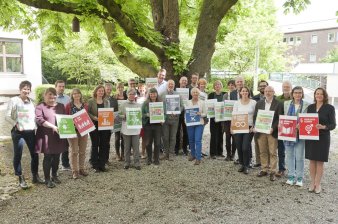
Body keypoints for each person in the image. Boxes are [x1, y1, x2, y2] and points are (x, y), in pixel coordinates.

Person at [6, 80, 44, 189]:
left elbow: (35, 117)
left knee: (35, 153)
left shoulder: (32, 102)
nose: (26, 91)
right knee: (18, 154)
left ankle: (35, 176)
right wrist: (15, 124)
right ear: (20, 89)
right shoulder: (14, 100)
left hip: (30, 131)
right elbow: (7, 116)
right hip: (18, 131)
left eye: (28, 89)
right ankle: (20, 177)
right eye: (24, 89)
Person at [305, 87, 336, 194]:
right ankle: (312, 182)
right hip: (311, 137)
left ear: (324, 96)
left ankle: (318, 184)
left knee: (320, 162)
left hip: (323, 137)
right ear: (314, 95)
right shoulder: (310, 107)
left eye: (321, 94)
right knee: (312, 160)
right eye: (317, 93)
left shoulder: (330, 108)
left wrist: (323, 127)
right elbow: (306, 120)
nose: (318, 95)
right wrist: (301, 126)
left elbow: (333, 125)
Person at [35, 87, 67, 188]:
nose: (52, 97)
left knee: (57, 156)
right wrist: (53, 126)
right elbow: (39, 120)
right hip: (46, 137)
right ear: (45, 95)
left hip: (58, 136)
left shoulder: (61, 106)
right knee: (48, 157)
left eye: (54, 95)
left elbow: (65, 119)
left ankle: (54, 175)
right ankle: (47, 179)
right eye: (49, 94)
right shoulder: (40, 107)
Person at [254, 86, 283, 181]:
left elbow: (279, 118)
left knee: (273, 152)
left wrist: (273, 128)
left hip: (271, 132)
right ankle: (264, 169)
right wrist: (256, 126)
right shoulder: (259, 103)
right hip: (261, 131)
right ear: (264, 92)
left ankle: (273, 171)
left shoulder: (278, 104)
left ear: (273, 92)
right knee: (262, 151)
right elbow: (255, 116)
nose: (268, 93)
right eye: (266, 91)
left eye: (270, 91)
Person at [283, 86, 309, 187]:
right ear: (292, 94)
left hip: (300, 134)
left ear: (302, 94)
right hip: (288, 133)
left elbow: (309, 119)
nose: (298, 94)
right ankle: (290, 176)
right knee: (289, 156)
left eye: (300, 93)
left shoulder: (307, 104)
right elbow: (284, 117)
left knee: (299, 157)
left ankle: (299, 177)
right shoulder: (286, 104)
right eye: (296, 92)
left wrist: (301, 125)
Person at [65, 88, 90, 179]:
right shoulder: (69, 106)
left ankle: (81, 169)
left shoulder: (85, 105)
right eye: (74, 94)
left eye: (78, 93)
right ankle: (74, 171)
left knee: (83, 151)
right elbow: (65, 118)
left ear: (80, 95)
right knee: (74, 151)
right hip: (73, 131)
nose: (76, 95)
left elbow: (87, 117)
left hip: (84, 130)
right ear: (72, 95)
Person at [232, 87, 256, 174]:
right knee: (239, 146)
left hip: (249, 127)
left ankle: (247, 165)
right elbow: (233, 115)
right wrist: (232, 127)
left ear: (249, 92)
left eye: (246, 91)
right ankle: (242, 164)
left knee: (245, 147)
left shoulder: (253, 102)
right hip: (238, 127)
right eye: (243, 91)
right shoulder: (237, 103)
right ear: (240, 92)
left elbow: (256, 115)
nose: (244, 92)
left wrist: (253, 126)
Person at [88, 85, 111, 172]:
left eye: (102, 91)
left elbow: (109, 112)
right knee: (95, 144)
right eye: (99, 91)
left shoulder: (106, 101)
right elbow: (87, 112)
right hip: (94, 125)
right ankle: (94, 164)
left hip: (105, 125)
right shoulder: (90, 101)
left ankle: (102, 164)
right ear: (96, 91)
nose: (101, 92)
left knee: (104, 144)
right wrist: (94, 117)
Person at [119, 88, 142, 170]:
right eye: (130, 94)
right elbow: (119, 115)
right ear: (127, 95)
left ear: (135, 95)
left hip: (135, 130)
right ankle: (127, 162)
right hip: (126, 129)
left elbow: (140, 117)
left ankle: (137, 163)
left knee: (136, 147)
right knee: (127, 147)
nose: (132, 95)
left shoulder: (138, 105)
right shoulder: (123, 105)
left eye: (133, 94)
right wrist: (123, 116)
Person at [160, 79, 182, 160]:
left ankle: (171, 153)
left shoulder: (178, 95)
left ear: (174, 85)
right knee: (165, 137)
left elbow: (182, 106)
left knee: (173, 137)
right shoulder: (162, 94)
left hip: (175, 119)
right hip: (165, 119)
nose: (170, 85)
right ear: (167, 85)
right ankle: (166, 153)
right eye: (169, 84)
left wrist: (178, 111)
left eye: (172, 84)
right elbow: (158, 106)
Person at [275, 80, 292, 177]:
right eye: (284, 86)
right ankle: (281, 169)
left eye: (287, 86)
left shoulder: (295, 97)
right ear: (282, 88)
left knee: (291, 149)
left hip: (292, 128)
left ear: (291, 87)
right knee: (281, 149)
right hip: (280, 127)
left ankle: (292, 170)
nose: (285, 88)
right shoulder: (277, 98)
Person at [142, 88, 162, 165]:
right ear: (149, 95)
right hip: (148, 125)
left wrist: (163, 119)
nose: (153, 95)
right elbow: (141, 114)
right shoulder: (145, 103)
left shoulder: (160, 103)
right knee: (148, 143)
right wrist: (147, 115)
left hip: (158, 125)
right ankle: (149, 159)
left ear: (157, 94)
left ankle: (156, 159)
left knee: (157, 143)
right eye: (151, 94)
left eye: (154, 93)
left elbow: (165, 114)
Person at [186, 88, 207, 165]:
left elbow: (205, 113)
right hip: (190, 124)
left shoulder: (202, 102)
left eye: (196, 92)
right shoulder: (188, 102)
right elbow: (186, 113)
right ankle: (193, 155)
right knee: (191, 140)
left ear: (198, 94)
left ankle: (198, 158)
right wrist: (186, 122)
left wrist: (200, 114)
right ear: (191, 94)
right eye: (193, 92)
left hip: (199, 123)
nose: (195, 93)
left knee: (198, 140)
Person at [55, 80, 71, 171]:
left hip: (66, 123)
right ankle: (55, 166)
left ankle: (65, 164)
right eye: (59, 86)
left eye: (63, 86)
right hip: (55, 123)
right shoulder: (53, 97)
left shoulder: (68, 98)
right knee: (56, 144)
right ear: (56, 87)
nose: (61, 88)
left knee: (65, 145)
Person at [252, 80, 268, 168]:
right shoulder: (254, 98)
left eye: (264, 85)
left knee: (268, 144)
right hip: (258, 124)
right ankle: (259, 161)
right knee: (257, 143)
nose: (263, 87)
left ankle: (267, 162)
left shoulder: (273, 97)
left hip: (269, 124)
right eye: (261, 86)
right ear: (258, 88)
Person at [208, 80, 225, 159]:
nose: (217, 86)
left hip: (222, 119)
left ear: (221, 86)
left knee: (221, 135)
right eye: (216, 85)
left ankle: (220, 152)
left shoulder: (225, 94)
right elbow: (209, 106)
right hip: (213, 118)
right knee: (214, 135)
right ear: (214, 87)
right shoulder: (211, 95)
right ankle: (213, 153)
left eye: (219, 84)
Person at [104, 83, 118, 165]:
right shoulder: (101, 98)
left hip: (110, 123)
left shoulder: (113, 100)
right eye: (107, 89)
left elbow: (116, 111)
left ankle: (106, 159)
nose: (108, 91)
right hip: (101, 123)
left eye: (110, 89)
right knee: (100, 142)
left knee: (107, 142)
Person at [223, 80, 236, 161]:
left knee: (235, 138)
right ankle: (228, 154)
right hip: (227, 119)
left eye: (232, 85)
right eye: (229, 85)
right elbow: (222, 106)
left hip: (235, 119)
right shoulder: (225, 95)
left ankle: (233, 154)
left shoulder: (237, 95)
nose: (231, 86)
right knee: (227, 137)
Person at [175, 76, 189, 156]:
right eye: (182, 80)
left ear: (187, 82)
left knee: (186, 131)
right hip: (178, 113)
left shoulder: (189, 91)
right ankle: (176, 149)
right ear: (179, 81)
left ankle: (185, 148)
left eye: (185, 80)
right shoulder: (176, 91)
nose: (184, 82)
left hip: (186, 112)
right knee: (177, 131)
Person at [115, 82, 126, 161]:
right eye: (119, 87)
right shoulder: (114, 97)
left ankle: (123, 153)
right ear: (117, 89)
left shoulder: (126, 96)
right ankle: (117, 154)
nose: (120, 89)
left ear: (123, 88)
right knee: (117, 138)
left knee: (124, 137)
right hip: (116, 119)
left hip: (124, 119)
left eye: (121, 87)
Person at [137, 83, 147, 159]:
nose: (141, 91)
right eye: (140, 89)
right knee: (136, 138)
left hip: (144, 121)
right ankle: (136, 153)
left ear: (145, 90)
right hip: (136, 120)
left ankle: (143, 152)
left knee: (144, 137)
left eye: (143, 89)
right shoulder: (135, 98)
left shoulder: (147, 99)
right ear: (138, 89)